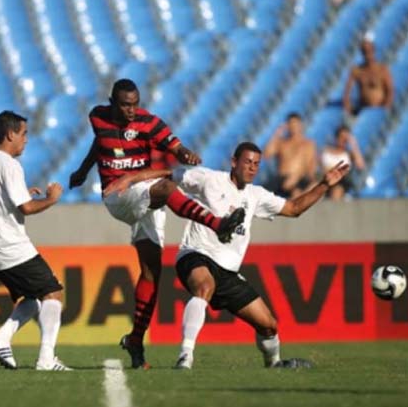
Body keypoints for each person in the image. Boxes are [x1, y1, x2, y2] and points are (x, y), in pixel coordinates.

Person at [110, 142, 350, 370]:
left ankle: (274, 363)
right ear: (234, 162)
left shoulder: (257, 195)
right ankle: (185, 356)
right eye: (247, 162)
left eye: (256, 164)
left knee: (268, 325)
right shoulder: (209, 179)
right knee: (204, 286)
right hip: (195, 255)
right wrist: (131, 178)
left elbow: (294, 209)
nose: (252, 168)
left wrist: (324, 185)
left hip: (228, 272)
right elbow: (168, 175)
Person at [69, 78, 245, 369]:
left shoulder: (148, 122)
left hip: (144, 193)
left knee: (151, 272)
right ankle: (217, 224)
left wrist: (184, 153)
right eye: (125, 105)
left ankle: (136, 342)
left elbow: (175, 146)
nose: (131, 110)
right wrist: (83, 170)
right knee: (164, 187)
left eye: (135, 104)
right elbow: (99, 143)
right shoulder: (97, 116)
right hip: (119, 194)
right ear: (113, 103)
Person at [0, 111, 70, 371]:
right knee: (54, 293)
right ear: (10, 134)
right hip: (10, 245)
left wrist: (19, 195)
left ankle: (2, 337)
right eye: (24, 133)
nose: (26, 140)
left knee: (33, 298)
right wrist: (51, 198)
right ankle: (46, 359)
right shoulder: (9, 164)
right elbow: (26, 208)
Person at [264, 112, 317, 199]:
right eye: (291, 124)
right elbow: (266, 154)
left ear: (301, 125)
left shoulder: (308, 144)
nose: (293, 127)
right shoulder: (282, 143)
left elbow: (310, 166)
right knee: (262, 193)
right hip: (281, 178)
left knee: (300, 191)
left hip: (299, 178)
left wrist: (297, 177)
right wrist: (277, 134)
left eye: (296, 124)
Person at [343, 39, 393, 116]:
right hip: (363, 109)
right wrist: (348, 106)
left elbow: (390, 90)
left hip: (379, 109)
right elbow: (347, 91)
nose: (367, 53)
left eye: (369, 50)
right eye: (364, 51)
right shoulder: (357, 71)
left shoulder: (382, 70)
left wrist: (385, 107)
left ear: (373, 50)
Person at [321, 125, 366, 200]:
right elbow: (322, 167)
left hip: (341, 181)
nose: (343, 140)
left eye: (345, 138)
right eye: (341, 137)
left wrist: (353, 144)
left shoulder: (348, 154)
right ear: (337, 137)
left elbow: (360, 165)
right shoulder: (327, 151)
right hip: (326, 178)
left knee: (337, 191)